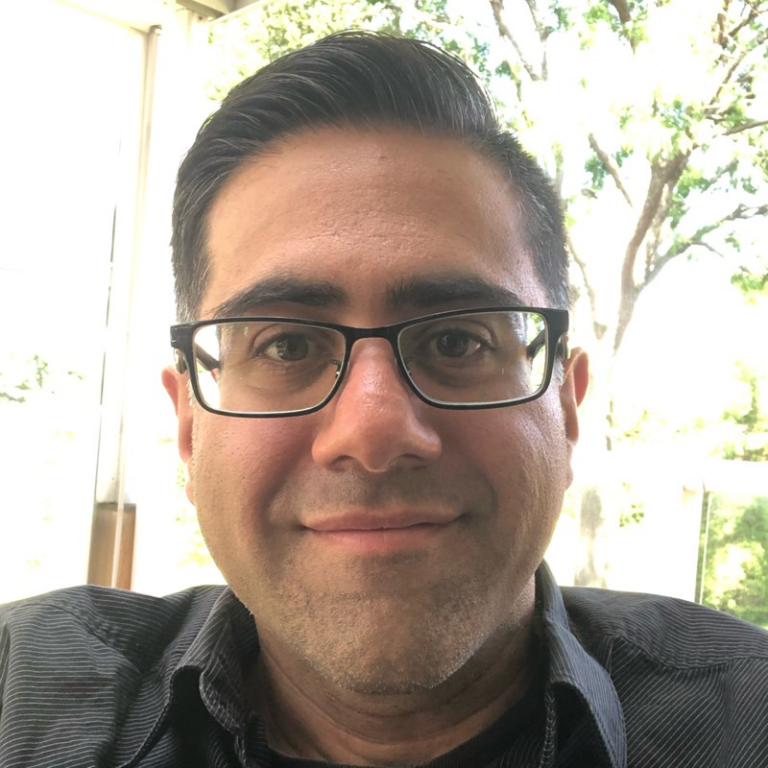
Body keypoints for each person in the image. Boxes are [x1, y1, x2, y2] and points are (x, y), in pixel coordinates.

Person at [1, 31, 767, 768]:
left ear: (565, 409)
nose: (372, 431)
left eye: (458, 341)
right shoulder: (18, 693)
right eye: (285, 346)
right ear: (189, 426)